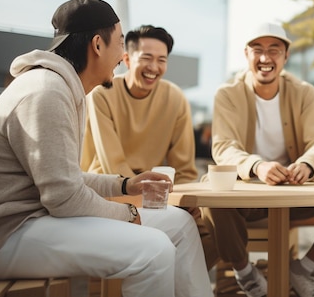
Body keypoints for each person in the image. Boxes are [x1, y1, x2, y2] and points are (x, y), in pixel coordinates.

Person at [0, 0, 212, 297]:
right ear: (97, 45)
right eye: (121, 43)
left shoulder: (62, 87)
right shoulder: (46, 91)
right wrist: (130, 215)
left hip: (34, 218)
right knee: (153, 250)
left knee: (180, 224)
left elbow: (65, 180)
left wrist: (125, 184)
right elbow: (64, 198)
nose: (122, 55)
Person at [205, 22, 314, 297]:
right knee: (212, 194)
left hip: (296, 193)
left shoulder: (304, 92)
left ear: (286, 56)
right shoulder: (227, 94)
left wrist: (306, 165)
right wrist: (256, 166)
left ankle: (306, 266)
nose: (265, 58)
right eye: (258, 50)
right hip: (247, 196)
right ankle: (246, 274)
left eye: (274, 50)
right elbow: (223, 146)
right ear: (246, 54)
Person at [80, 24, 218, 269]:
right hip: (110, 194)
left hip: (157, 198)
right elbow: (115, 167)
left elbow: (184, 169)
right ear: (126, 60)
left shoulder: (175, 98)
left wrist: (186, 202)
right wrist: (162, 202)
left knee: (216, 237)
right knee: (166, 240)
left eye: (161, 60)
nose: (154, 67)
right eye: (146, 58)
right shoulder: (102, 94)